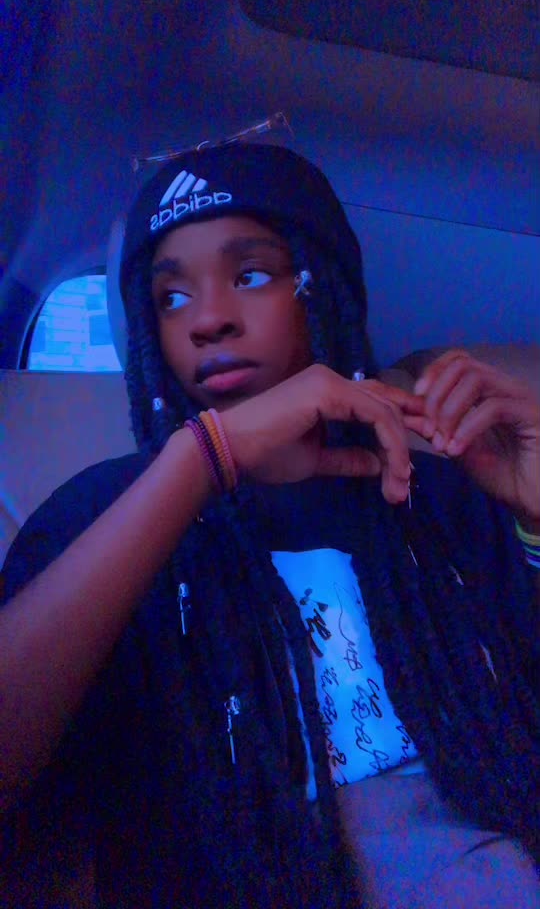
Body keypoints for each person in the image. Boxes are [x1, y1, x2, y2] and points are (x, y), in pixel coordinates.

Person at [0, 143, 538, 909]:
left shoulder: (439, 492)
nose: (208, 319)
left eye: (251, 276)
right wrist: (200, 461)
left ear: (326, 289)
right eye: (170, 298)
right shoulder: (102, 515)